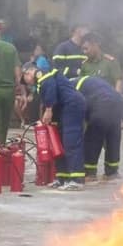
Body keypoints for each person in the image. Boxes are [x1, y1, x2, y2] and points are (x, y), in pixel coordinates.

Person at [37, 58, 87, 191]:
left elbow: (50, 87)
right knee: (57, 144)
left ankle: (77, 179)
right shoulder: (40, 81)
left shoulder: (42, 74)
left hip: (72, 105)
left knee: (71, 140)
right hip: (62, 108)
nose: (28, 82)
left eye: (26, 78)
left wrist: (48, 110)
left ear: (29, 72)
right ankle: (63, 177)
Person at [74, 74, 123, 182]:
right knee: (113, 137)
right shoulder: (87, 82)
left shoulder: (70, 87)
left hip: (101, 103)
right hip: (117, 101)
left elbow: (77, 113)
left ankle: (89, 173)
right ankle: (112, 172)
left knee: (93, 138)